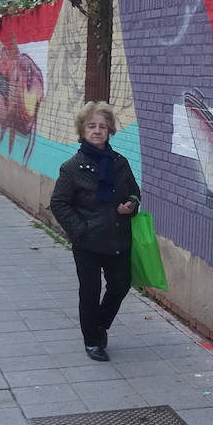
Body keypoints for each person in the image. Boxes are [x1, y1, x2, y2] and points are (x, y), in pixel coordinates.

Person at [49, 101, 141, 361]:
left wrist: (131, 205)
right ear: (83, 130)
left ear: (109, 130)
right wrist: (81, 230)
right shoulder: (72, 167)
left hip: (117, 239)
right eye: (92, 126)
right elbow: (59, 203)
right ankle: (92, 341)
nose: (97, 130)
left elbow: (135, 191)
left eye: (102, 126)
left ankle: (99, 325)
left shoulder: (120, 163)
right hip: (88, 242)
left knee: (120, 285)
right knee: (89, 291)